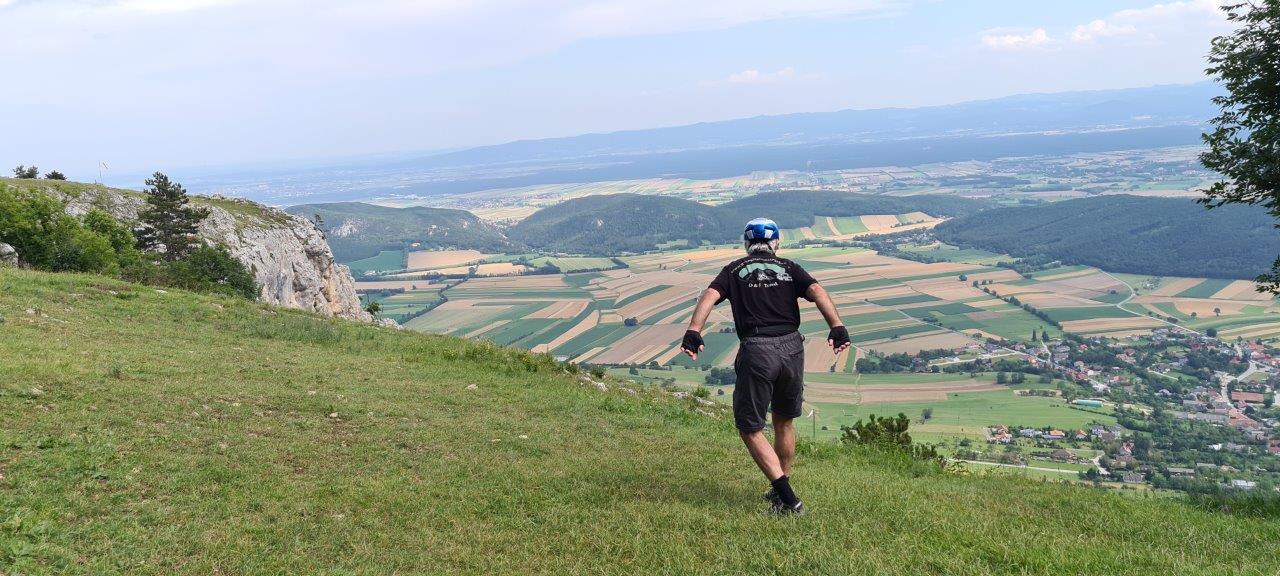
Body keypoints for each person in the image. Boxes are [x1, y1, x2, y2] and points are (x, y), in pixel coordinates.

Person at [680, 218, 850, 515]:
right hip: (792, 348)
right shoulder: (790, 267)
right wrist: (837, 326)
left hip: (758, 350)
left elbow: (709, 296)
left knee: (750, 428)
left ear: (747, 245)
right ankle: (780, 487)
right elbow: (818, 291)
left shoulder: (733, 270)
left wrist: (694, 330)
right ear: (777, 244)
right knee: (784, 421)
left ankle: (788, 499)